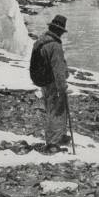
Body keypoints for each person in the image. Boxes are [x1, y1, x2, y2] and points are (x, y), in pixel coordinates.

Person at [32, 14, 70, 153]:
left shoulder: (41, 40)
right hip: (52, 82)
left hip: (43, 81)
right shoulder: (55, 46)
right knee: (56, 110)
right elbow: (58, 70)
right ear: (59, 30)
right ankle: (53, 143)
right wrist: (62, 87)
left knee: (50, 108)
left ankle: (57, 137)